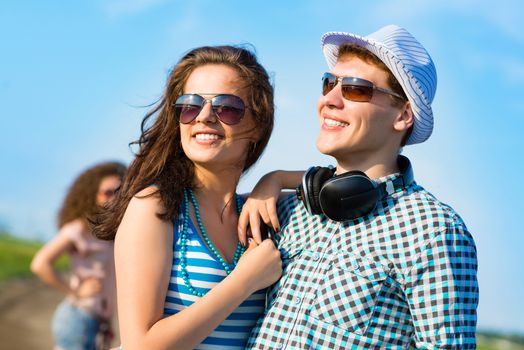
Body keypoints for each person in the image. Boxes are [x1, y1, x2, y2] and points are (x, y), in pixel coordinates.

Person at [240, 25, 479, 349]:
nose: (329, 100)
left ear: (403, 115)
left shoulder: (435, 232)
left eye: (355, 89)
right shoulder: (286, 208)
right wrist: (274, 178)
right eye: (329, 83)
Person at [92, 45, 282, 350]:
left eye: (227, 107)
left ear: (258, 123)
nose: (204, 117)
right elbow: (140, 345)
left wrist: (277, 178)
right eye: (190, 105)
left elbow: (352, 180)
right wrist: (245, 281)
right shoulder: (155, 207)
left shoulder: (259, 212)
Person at [31, 161, 126, 350]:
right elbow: (40, 264)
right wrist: (75, 292)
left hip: (99, 324)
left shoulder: (113, 233)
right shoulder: (78, 229)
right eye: (108, 192)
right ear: (91, 194)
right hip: (78, 319)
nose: (114, 198)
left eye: (120, 192)